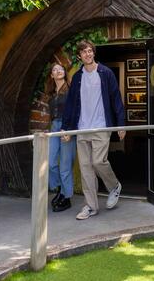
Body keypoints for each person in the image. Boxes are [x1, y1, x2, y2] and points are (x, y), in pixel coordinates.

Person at [62, 40, 126, 220]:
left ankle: (114, 186)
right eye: (84, 52)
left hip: (101, 126)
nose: (88, 54)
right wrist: (66, 127)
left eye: (90, 51)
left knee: (98, 162)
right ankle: (91, 206)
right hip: (82, 128)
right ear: (79, 56)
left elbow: (116, 98)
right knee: (85, 168)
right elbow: (71, 104)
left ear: (93, 53)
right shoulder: (77, 77)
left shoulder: (105, 73)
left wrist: (121, 124)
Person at [45, 63, 74, 212]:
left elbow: (75, 111)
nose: (58, 71)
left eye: (61, 69)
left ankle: (66, 197)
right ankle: (60, 189)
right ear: (52, 75)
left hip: (66, 127)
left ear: (64, 72)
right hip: (54, 127)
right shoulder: (51, 94)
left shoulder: (70, 90)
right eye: (55, 70)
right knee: (50, 162)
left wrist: (70, 130)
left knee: (65, 165)